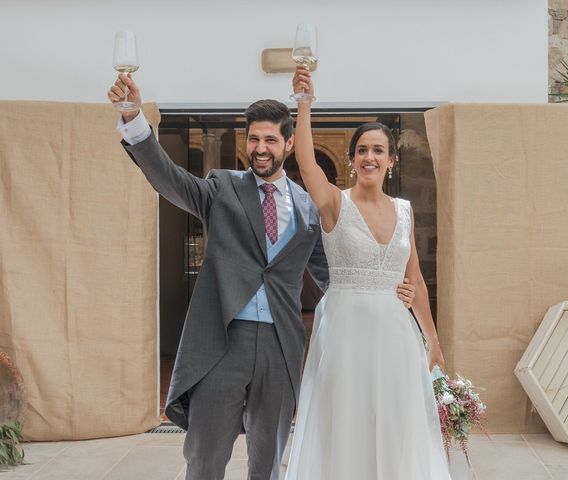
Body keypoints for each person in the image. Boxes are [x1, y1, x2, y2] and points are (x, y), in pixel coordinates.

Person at [107, 73, 417, 480]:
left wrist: (391, 293)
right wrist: (133, 119)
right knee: (204, 459)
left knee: (267, 463)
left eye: (270, 140)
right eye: (254, 139)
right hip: (222, 342)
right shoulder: (221, 189)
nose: (260, 148)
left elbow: (339, 274)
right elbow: (170, 179)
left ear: (289, 143)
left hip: (279, 346)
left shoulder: (310, 210)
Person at [284, 65, 451, 479]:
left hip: (396, 337)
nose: (369, 157)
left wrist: (432, 339)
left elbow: (416, 282)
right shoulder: (334, 204)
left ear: (391, 160)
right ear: (352, 159)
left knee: (397, 425)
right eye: (362, 150)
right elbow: (305, 162)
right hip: (346, 334)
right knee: (346, 424)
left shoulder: (405, 211)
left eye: (378, 150)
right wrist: (304, 103)